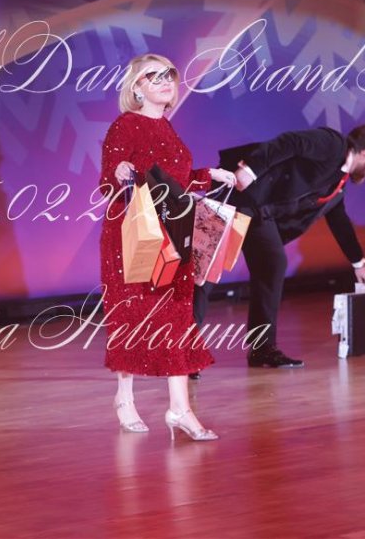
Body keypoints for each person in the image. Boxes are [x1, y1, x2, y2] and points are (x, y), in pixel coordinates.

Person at [99, 53, 236, 441]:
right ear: (137, 87)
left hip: (175, 230)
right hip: (135, 235)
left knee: (177, 316)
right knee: (132, 314)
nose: (164, 81)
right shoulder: (126, 124)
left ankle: (179, 408)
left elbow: (175, 181)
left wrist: (211, 174)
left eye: (169, 74)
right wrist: (119, 171)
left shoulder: (167, 127)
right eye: (153, 76)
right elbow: (109, 180)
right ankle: (124, 397)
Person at [202, 123, 365, 368]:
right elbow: (289, 142)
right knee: (205, 271)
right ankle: (182, 351)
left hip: (259, 210)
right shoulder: (332, 144)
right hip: (240, 194)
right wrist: (250, 169)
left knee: (272, 263)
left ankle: (262, 349)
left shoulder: (337, 181)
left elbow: (339, 220)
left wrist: (359, 263)